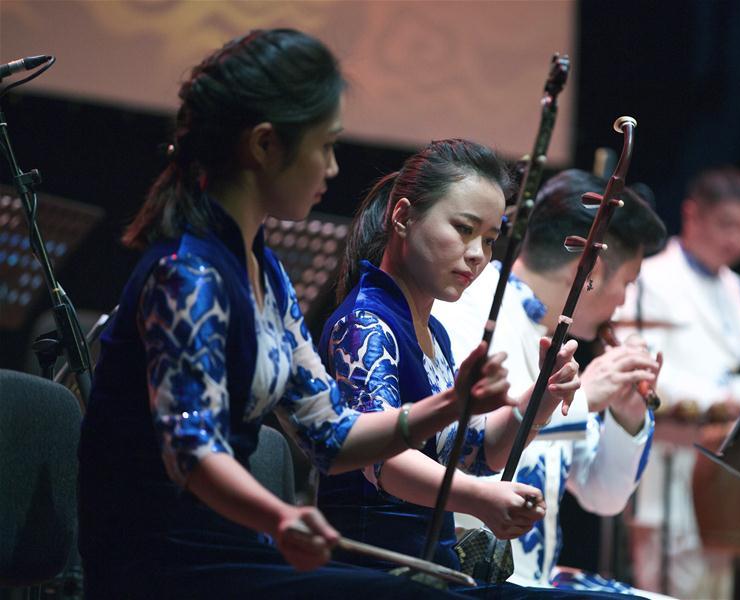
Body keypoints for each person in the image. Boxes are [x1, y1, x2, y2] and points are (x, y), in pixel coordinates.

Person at [77, 29, 514, 600]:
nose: (333, 168)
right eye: (324, 147)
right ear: (265, 145)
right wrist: (279, 517)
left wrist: (451, 403)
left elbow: (330, 435)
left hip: (230, 554)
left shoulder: (266, 273)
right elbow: (191, 447)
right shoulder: (188, 273)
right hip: (162, 566)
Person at [316, 140, 589, 579]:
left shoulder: (432, 331)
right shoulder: (365, 324)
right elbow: (383, 461)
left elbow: (471, 451)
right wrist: (479, 499)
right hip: (374, 573)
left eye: (490, 239)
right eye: (463, 229)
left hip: (427, 571)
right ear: (403, 217)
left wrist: (540, 399)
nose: (478, 254)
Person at [433, 169, 668, 595]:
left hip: (535, 579)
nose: (622, 303)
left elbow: (603, 495)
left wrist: (626, 416)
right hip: (472, 578)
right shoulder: (470, 310)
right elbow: (466, 443)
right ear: (588, 269)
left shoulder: (555, 335)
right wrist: (585, 397)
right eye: (627, 284)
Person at [618, 166, 740, 599]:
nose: (735, 239)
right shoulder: (648, 277)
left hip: (727, 471)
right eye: (726, 224)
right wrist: (721, 399)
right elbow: (635, 364)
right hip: (670, 463)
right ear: (692, 214)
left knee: (719, 588)